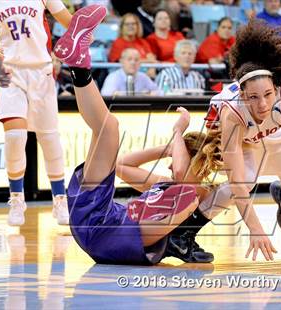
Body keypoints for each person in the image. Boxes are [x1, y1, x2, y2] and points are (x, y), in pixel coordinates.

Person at [54, 5, 224, 264]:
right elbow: (122, 166)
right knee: (108, 128)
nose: (170, 162)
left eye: (178, 155)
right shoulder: (163, 185)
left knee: (109, 130)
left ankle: (79, 59)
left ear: (197, 162)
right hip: (102, 219)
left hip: (107, 235)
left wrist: (178, 132)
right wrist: (165, 148)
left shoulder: (198, 192)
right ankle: (78, 62)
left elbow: (181, 174)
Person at [203, 19, 281, 261]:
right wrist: (255, 229)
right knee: (241, 182)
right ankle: (187, 232)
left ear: (276, 86)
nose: (263, 104)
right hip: (247, 144)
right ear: (243, 94)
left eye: (267, 94)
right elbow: (235, 180)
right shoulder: (231, 112)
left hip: (279, 137)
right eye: (254, 97)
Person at [0, 0, 72, 226]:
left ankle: (60, 199)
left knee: (50, 137)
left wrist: (82, 34)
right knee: (15, 136)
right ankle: (16, 198)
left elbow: (69, 21)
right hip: (8, 72)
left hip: (41, 71)